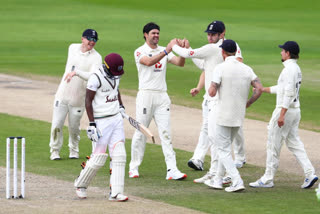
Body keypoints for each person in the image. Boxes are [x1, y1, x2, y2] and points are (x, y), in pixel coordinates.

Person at [171, 21, 245, 185]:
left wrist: (173, 46)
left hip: (218, 100)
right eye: (209, 34)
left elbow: (188, 54)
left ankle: (226, 173)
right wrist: (188, 50)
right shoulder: (214, 49)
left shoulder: (217, 47)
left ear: (221, 34)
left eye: (213, 34)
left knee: (217, 138)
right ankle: (214, 173)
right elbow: (203, 65)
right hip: (211, 99)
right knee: (213, 136)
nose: (210, 37)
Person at [249, 41, 318, 189]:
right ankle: (310, 173)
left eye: (283, 50)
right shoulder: (294, 68)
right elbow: (282, 88)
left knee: (273, 144)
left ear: (288, 53)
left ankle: (267, 179)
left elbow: (289, 93)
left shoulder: (289, 70)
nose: (281, 52)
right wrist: (263, 89)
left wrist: (281, 114)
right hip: (295, 111)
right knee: (294, 144)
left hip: (285, 110)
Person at [128, 22, 187, 180]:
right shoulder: (140, 51)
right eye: (153, 33)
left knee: (166, 133)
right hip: (146, 95)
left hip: (162, 96)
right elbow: (148, 62)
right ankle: (133, 167)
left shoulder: (163, 50)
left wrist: (183, 51)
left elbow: (180, 63)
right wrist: (167, 50)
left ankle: (172, 170)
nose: (156, 35)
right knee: (142, 131)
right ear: (145, 34)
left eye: (158, 33)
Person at [206, 39, 263, 192]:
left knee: (222, 150)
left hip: (223, 114)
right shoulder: (247, 69)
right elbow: (259, 88)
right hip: (239, 115)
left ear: (223, 52)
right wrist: (249, 102)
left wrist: (213, 87)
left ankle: (237, 181)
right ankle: (217, 180)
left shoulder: (220, 68)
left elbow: (211, 92)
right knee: (223, 148)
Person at [74, 53, 128, 202]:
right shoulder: (95, 77)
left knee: (119, 154)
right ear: (107, 67)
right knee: (98, 157)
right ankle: (80, 185)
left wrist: (121, 105)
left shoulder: (115, 75)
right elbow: (88, 101)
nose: (116, 75)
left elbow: (115, 90)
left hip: (116, 118)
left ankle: (116, 192)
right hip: (101, 121)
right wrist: (91, 123)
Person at [49, 29, 102, 160]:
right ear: (82, 38)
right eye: (89, 39)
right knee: (56, 125)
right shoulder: (72, 48)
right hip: (62, 95)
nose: (92, 42)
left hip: (78, 98)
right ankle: (54, 151)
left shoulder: (97, 57)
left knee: (74, 128)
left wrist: (77, 72)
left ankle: (74, 149)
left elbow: (93, 76)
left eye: (95, 40)